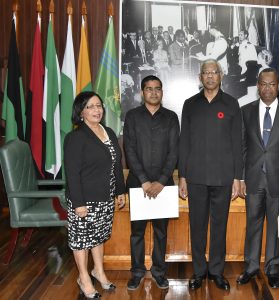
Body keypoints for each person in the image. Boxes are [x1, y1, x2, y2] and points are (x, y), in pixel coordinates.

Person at [178, 59, 242, 291]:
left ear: (221, 75)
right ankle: (198, 271)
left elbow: (237, 143)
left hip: (224, 177)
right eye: (206, 72)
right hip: (195, 177)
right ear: (200, 77)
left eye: (214, 72)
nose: (210, 76)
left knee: (219, 226)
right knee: (197, 226)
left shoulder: (232, 104)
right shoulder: (190, 104)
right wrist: (182, 176)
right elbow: (184, 141)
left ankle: (216, 271)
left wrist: (237, 177)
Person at [237, 68, 279, 288]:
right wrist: (242, 178)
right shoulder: (246, 111)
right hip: (254, 180)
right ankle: (251, 267)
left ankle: (273, 269)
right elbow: (243, 147)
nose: (267, 88)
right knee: (252, 224)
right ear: (257, 86)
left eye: (271, 84)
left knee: (276, 226)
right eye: (263, 84)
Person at [64, 91, 126, 299]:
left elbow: (117, 164)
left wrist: (120, 190)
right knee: (81, 240)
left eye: (98, 105)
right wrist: (78, 204)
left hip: (105, 197)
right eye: (90, 106)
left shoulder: (107, 131)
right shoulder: (75, 137)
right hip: (84, 199)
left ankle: (98, 271)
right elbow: (72, 173)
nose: (96, 110)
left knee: (98, 237)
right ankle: (84, 278)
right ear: (81, 112)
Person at [123, 75, 180, 291]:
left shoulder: (171, 117)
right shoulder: (132, 116)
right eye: (149, 89)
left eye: (157, 89)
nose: (153, 92)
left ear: (162, 92)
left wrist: (162, 181)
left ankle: (159, 271)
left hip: (164, 186)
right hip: (138, 184)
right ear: (142, 92)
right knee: (136, 232)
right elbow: (129, 150)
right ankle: (137, 272)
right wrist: (145, 182)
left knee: (161, 232)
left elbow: (174, 152)